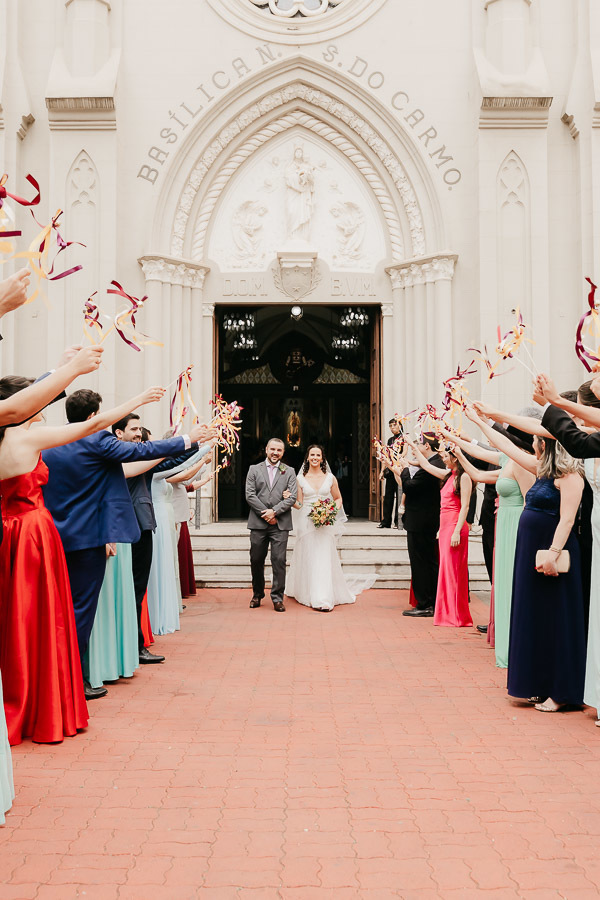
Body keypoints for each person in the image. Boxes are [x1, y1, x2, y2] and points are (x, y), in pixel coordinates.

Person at [0, 376, 163, 744]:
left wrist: (64, 369)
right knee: (46, 619)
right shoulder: (28, 439)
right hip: (33, 534)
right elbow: (93, 425)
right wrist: (140, 397)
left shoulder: (10, 438)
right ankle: (43, 705)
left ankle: (22, 696)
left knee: (18, 618)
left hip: (11, 531)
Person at [42, 391, 208, 697]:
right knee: (81, 611)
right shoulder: (96, 440)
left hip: (52, 535)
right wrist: (188, 438)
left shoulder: (50, 442)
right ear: (93, 417)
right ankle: (73, 681)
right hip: (89, 538)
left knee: (57, 608)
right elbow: (144, 450)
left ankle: (56, 675)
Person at [115, 413, 215, 651]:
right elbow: (165, 458)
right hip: (122, 526)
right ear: (119, 433)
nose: (139, 434)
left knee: (139, 587)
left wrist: (198, 444)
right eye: (134, 429)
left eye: (140, 429)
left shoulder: (141, 457)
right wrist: (190, 439)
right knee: (129, 587)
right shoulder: (117, 455)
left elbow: (171, 463)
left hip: (143, 523)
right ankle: (130, 645)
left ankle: (137, 645)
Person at [456, 410, 536, 667]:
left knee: (513, 584)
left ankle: (516, 646)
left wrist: (480, 420)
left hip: (516, 525)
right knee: (501, 583)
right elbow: (479, 460)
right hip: (504, 525)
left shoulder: (523, 464)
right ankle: (505, 642)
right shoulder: (508, 459)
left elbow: (530, 502)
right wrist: (455, 441)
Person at [286, 445, 376, 611]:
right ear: (307, 458)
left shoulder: (330, 478)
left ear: (322, 458)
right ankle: (306, 590)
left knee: (323, 557)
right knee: (308, 556)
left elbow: (338, 498)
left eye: (318, 455)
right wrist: (290, 500)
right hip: (306, 522)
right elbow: (299, 503)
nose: (315, 457)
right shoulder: (300, 479)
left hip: (325, 522)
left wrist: (331, 510)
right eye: (312, 455)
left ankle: (323, 597)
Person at [406, 438, 473, 627]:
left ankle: (457, 615)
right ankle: (446, 612)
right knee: (445, 571)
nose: (442, 459)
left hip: (455, 526)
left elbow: (465, 506)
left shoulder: (464, 477)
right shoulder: (448, 475)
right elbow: (426, 465)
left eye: (445, 456)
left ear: (455, 457)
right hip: (444, 527)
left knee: (453, 572)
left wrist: (456, 531)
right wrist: (412, 447)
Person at [388, 435, 444, 617]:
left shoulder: (432, 465)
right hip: (423, 520)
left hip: (421, 521)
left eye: (419, 443)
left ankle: (425, 604)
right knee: (427, 562)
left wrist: (404, 469)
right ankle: (430, 601)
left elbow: (410, 487)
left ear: (427, 445)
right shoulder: (432, 462)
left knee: (421, 563)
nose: (416, 446)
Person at [245, 437, 297, 612]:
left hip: (280, 524)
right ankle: (257, 594)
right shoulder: (254, 469)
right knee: (256, 559)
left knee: (279, 560)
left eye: (279, 450)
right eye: (272, 449)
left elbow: (292, 497)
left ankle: (277, 598)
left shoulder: (289, 471)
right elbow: (250, 495)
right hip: (258, 523)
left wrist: (274, 512)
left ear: (283, 452)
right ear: (266, 449)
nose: (275, 453)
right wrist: (267, 514)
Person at [379, 418, 402, 529]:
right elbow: (386, 456)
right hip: (390, 470)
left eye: (394, 425)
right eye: (390, 426)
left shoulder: (404, 438)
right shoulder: (390, 440)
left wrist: (397, 459)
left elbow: (404, 453)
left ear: (399, 426)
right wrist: (382, 471)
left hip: (399, 469)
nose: (392, 428)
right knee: (388, 496)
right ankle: (386, 521)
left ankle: (398, 521)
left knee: (399, 495)